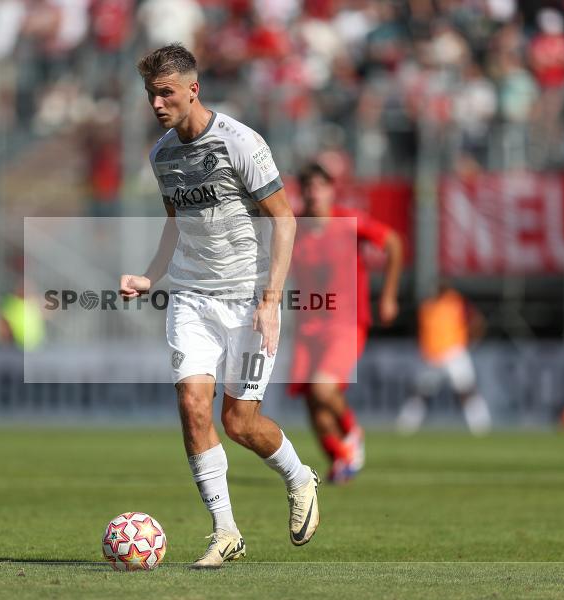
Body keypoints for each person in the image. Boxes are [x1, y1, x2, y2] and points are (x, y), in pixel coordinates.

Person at [119, 44, 319, 569]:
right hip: (191, 296)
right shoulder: (161, 154)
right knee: (191, 406)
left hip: (249, 298)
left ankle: (300, 477)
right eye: (151, 94)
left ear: (193, 89)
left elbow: (285, 219)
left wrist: (272, 300)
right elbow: (174, 224)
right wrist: (150, 275)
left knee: (239, 422)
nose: (158, 103)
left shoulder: (241, 143)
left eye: (166, 92)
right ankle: (225, 530)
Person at [289, 163, 403, 483]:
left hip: (346, 322)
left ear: (330, 190)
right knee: (312, 402)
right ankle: (341, 458)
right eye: (307, 187)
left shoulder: (348, 222)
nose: (313, 194)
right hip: (307, 325)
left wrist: (389, 296)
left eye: (319, 187)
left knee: (323, 389)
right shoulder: (294, 226)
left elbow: (393, 242)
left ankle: (354, 433)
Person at [396, 282, 492, 435]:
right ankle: (405, 427)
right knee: (421, 394)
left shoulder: (455, 302)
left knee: (466, 391)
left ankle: (481, 426)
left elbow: (477, 322)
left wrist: (470, 341)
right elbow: (420, 331)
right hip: (433, 356)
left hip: (452, 352)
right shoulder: (427, 306)